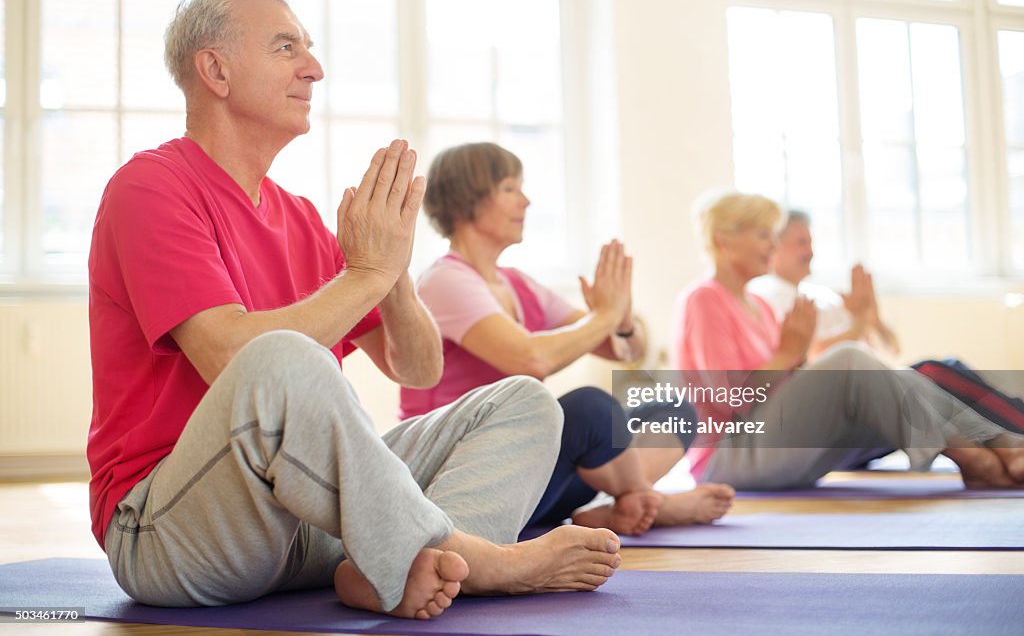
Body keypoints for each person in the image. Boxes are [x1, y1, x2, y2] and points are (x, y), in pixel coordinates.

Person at [86, 0, 622, 621]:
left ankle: (413, 564)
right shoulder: (151, 186)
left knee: (523, 402)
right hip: (173, 533)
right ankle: (474, 558)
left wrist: (391, 271)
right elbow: (229, 357)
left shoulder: (304, 219)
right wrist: (366, 271)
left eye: (307, 49)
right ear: (216, 70)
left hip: (305, 528)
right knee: (279, 358)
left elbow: (419, 368)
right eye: (287, 47)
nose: (314, 68)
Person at [400, 142, 734, 535]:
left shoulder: (517, 283)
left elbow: (622, 348)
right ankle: (647, 502)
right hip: (464, 478)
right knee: (592, 410)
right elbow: (530, 359)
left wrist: (621, 320)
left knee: (672, 409)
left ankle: (626, 501)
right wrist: (605, 316)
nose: (525, 201)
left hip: (530, 478)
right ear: (463, 200)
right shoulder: (446, 280)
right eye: (510, 188)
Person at [669, 190, 1024, 490]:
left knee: (900, 378)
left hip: (776, 441)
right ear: (724, 241)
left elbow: (790, 386)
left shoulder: (758, 304)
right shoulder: (703, 299)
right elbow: (727, 399)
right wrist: (788, 353)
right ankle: (973, 455)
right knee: (848, 359)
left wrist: (796, 357)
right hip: (728, 457)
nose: (773, 245)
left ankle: (1000, 444)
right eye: (763, 235)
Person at [748, 210, 900, 359]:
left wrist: (874, 318)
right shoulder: (765, 296)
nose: (810, 252)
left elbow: (893, 349)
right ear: (775, 247)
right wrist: (858, 326)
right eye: (801, 243)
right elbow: (806, 355)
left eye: (810, 243)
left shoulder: (824, 295)